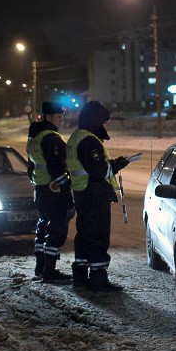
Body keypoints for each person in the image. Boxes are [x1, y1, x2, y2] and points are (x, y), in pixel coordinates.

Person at [66, 101, 129, 292]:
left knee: (84, 235)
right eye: (104, 122)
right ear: (95, 121)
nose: (105, 126)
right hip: (94, 195)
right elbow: (100, 170)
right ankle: (98, 279)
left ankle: (80, 276)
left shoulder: (76, 137)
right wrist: (118, 164)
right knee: (98, 237)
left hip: (82, 192)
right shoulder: (89, 140)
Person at [26, 101, 75, 283]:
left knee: (43, 226)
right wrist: (66, 193)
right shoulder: (51, 138)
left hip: (41, 189)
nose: (61, 120)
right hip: (53, 191)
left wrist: (37, 183)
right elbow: (57, 169)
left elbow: (31, 167)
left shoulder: (34, 137)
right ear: (48, 117)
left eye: (62, 116)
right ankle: (50, 271)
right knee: (56, 230)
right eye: (58, 116)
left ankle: (40, 267)